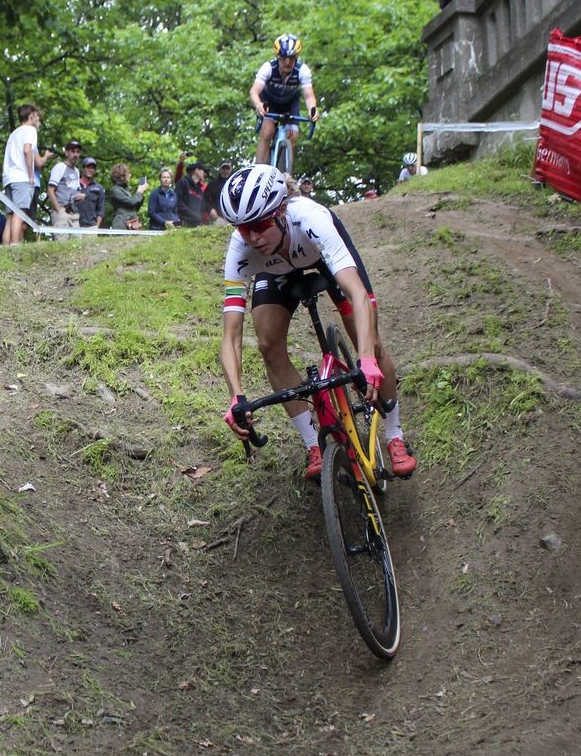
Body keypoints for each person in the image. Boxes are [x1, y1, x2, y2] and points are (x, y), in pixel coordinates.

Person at [217, 164, 416, 479]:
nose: (253, 237)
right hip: (277, 270)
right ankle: (313, 442)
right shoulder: (242, 248)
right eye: (243, 228)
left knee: (371, 342)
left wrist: (365, 359)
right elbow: (231, 337)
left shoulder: (310, 217)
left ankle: (394, 434)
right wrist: (236, 395)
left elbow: (357, 294)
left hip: (322, 256)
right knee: (268, 345)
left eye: (261, 223)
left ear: (282, 210)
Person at [250, 34, 317, 167]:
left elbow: (309, 96)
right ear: (278, 57)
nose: (287, 62)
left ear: (296, 58)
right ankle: (258, 170)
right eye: (283, 58)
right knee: (267, 132)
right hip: (270, 101)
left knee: (292, 137)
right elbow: (254, 91)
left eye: (291, 58)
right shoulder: (268, 68)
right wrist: (258, 105)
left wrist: (312, 110)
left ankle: (286, 175)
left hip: (290, 103)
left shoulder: (302, 70)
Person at [1, 104, 52, 244]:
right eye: (37, 116)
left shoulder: (14, 134)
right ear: (31, 116)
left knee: (10, 216)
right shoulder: (30, 130)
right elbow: (27, 150)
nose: (38, 119)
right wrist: (30, 175)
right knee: (19, 213)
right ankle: (15, 246)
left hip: (9, 178)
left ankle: (6, 249)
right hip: (22, 178)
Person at [47, 141, 84, 236]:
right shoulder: (59, 167)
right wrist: (59, 210)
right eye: (73, 151)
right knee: (62, 245)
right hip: (61, 211)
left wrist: (80, 196)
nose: (75, 154)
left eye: (78, 152)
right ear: (66, 153)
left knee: (77, 245)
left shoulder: (76, 171)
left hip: (74, 213)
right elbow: (50, 191)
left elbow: (74, 190)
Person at [106, 163, 147, 231]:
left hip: (131, 224)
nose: (130, 175)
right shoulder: (115, 190)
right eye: (128, 174)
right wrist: (139, 192)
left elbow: (135, 207)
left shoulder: (125, 190)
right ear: (121, 176)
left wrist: (141, 193)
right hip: (121, 225)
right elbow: (131, 202)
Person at [173, 154, 207, 227]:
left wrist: (199, 217)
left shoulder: (200, 189)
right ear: (197, 170)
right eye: (203, 171)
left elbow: (202, 206)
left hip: (196, 225)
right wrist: (192, 214)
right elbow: (177, 202)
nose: (205, 174)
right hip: (181, 224)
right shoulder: (183, 182)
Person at [77, 157, 105, 231]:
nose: (91, 170)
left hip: (91, 226)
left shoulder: (99, 188)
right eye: (88, 167)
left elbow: (101, 210)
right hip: (74, 224)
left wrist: (96, 227)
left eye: (93, 168)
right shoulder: (74, 184)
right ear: (83, 168)